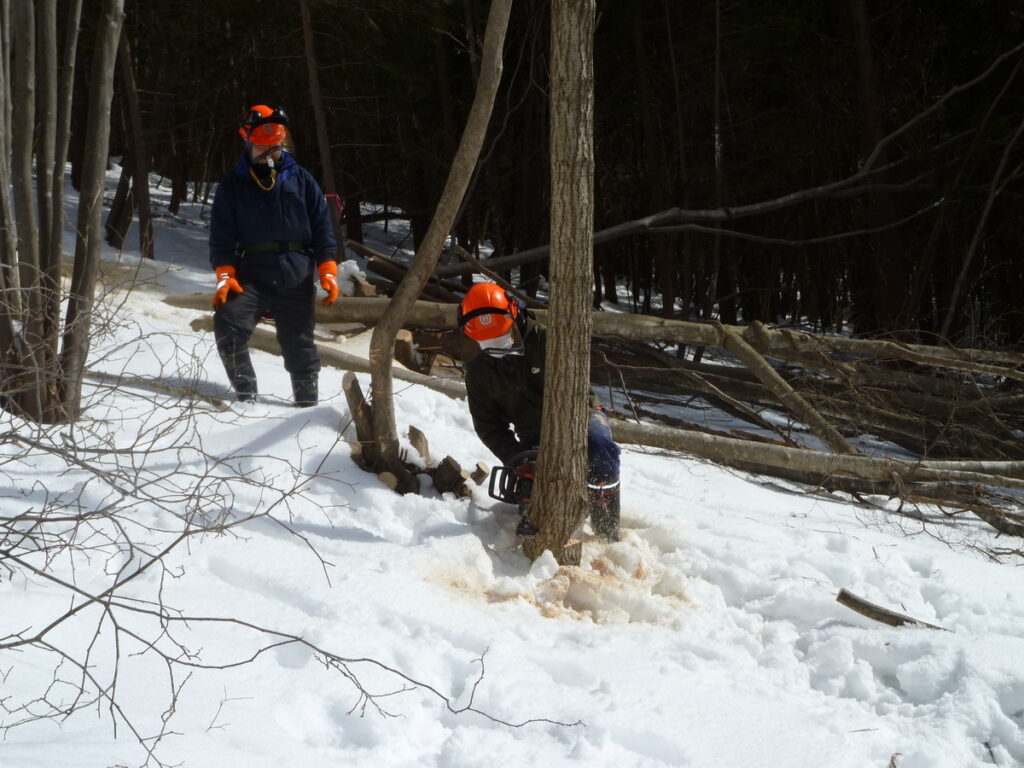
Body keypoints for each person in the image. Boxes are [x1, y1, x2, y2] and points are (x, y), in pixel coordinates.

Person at [458, 281, 621, 541]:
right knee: (530, 480)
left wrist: (565, 438)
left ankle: (606, 529)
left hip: (580, 415)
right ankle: (538, 528)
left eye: (500, 335)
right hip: (531, 433)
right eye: (486, 340)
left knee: (598, 446)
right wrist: (515, 457)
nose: (495, 345)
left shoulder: (547, 341)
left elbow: (580, 392)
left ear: (514, 313)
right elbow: (489, 425)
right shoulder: (479, 370)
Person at [208, 104, 339, 406]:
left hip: (296, 274)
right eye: (263, 147)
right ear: (248, 143)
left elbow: (322, 226)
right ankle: (246, 396)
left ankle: (307, 409)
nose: (271, 153)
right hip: (253, 275)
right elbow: (222, 238)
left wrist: (328, 268)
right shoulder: (232, 186)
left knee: (300, 346)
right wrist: (225, 275)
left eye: (276, 147)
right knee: (228, 324)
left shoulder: (302, 180)